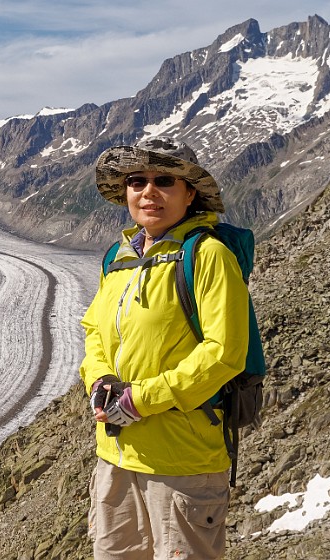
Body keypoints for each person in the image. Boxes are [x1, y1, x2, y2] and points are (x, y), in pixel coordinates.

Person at [80, 136, 250, 559]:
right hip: (116, 455)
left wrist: (141, 399)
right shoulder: (118, 259)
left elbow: (225, 351)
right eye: (137, 181)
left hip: (182, 463)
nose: (148, 192)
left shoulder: (208, 255)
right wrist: (99, 379)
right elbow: (94, 331)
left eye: (165, 181)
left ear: (190, 192)